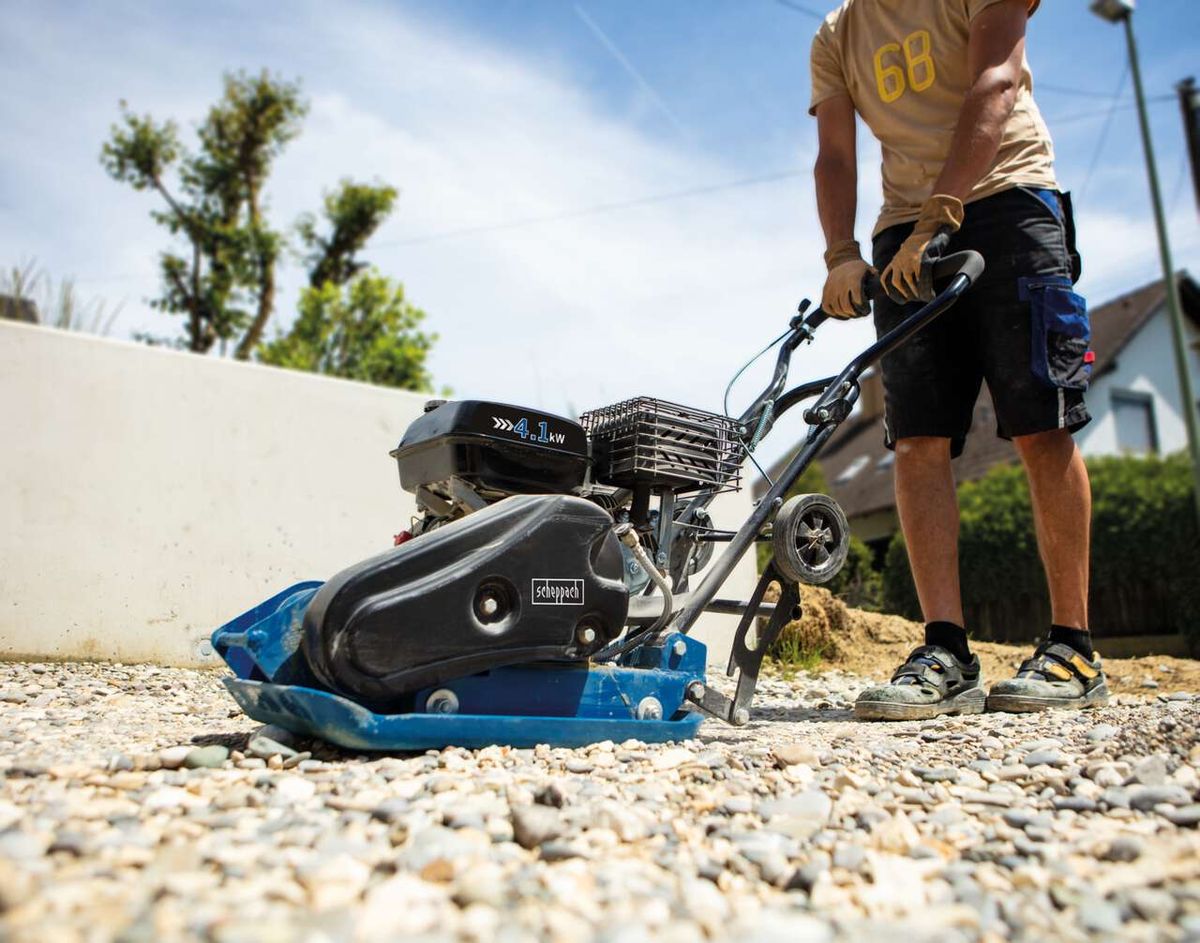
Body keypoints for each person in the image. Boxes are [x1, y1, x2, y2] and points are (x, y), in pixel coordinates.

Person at [809, 0, 1108, 719]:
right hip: (902, 230)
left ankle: (1074, 648)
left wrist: (944, 210)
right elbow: (836, 155)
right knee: (917, 437)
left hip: (1010, 199)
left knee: (1040, 422)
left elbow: (995, 82)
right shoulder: (836, 34)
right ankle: (946, 650)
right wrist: (842, 252)